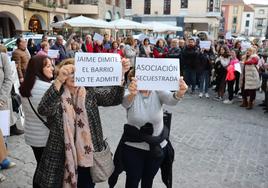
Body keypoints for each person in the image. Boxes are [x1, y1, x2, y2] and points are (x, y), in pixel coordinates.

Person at [33, 57, 130, 188]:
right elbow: (44, 109)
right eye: (69, 73)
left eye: (77, 72)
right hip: (62, 156)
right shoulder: (56, 93)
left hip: (88, 155)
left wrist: (121, 73)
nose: (73, 76)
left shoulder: (90, 93)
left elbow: (113, 98)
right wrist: (59, 80)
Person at [110, 71, 188, 188]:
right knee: (132, 181)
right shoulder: (129, 93)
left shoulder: (158, 91)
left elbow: (171, 99)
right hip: (133, 148)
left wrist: (180, 92)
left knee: (148, 181)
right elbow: (125, 102)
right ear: (133, 80)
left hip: (156, 147)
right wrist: (132, 93)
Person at [19, 55, 54, 187]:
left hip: (32, 136)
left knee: (40, 166)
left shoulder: (25, 86)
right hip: (45, 137)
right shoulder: (47, 88)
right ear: (39, 69)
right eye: (48, 66)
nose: (52, 69)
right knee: (46, 171)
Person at [0, 45, 23, 135]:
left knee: (3, 136)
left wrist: (2, 97)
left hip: (2, 101)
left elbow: (8, 79)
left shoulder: (2, 57)